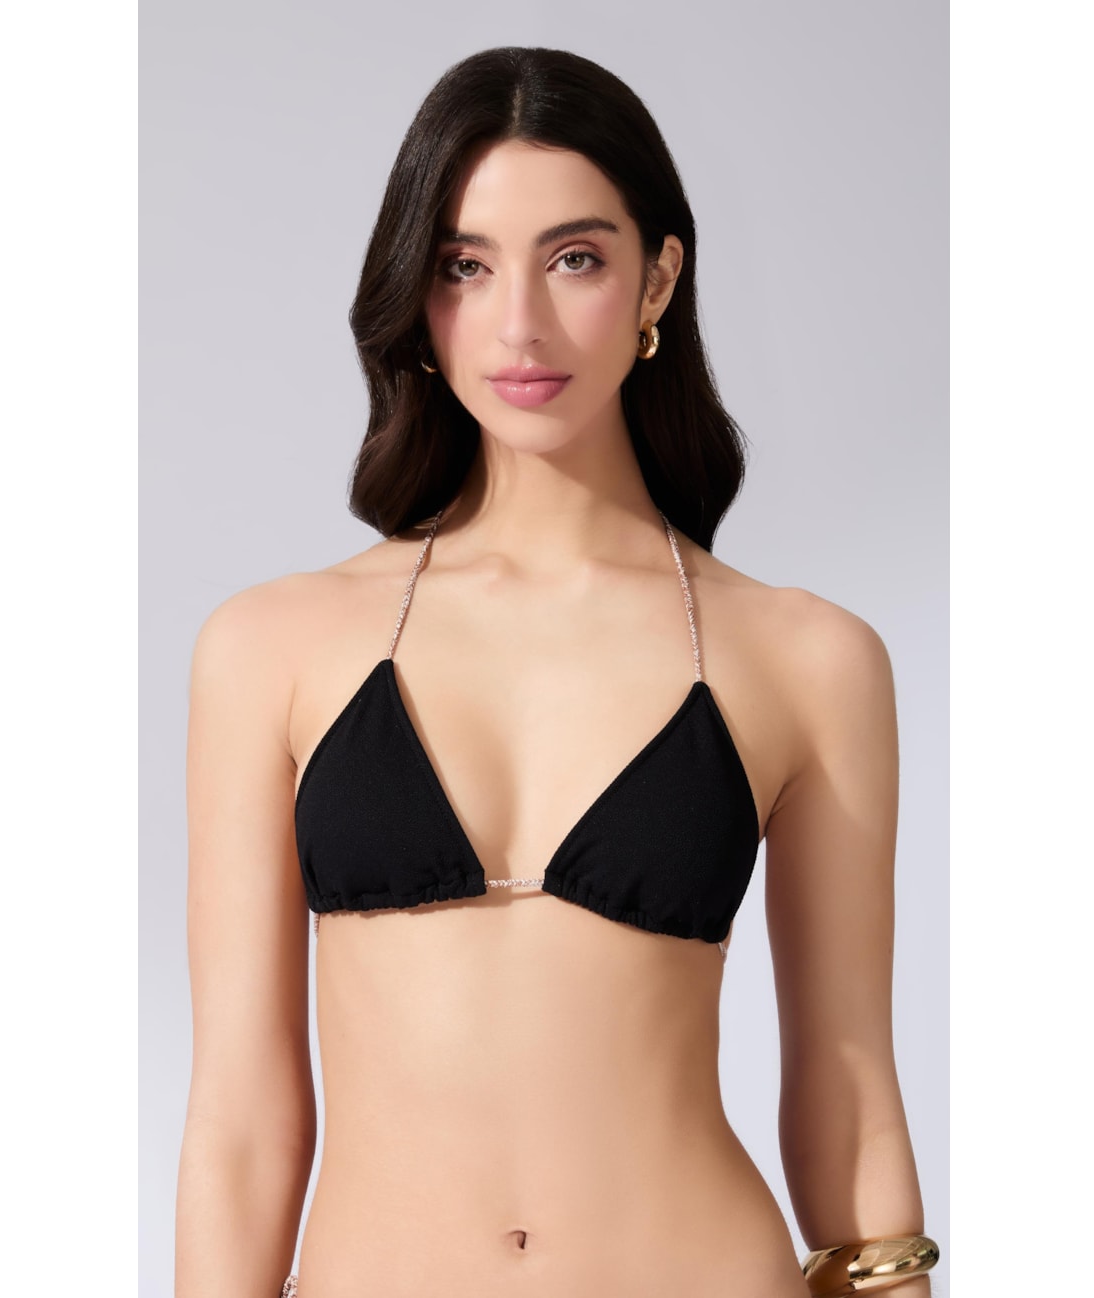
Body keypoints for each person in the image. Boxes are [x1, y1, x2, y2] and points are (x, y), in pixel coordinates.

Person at [174, 46, 937, 1298]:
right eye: (464, 265)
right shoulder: (271, 646)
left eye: (573, 258)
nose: (519, 323)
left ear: (657, 279)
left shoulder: (807, 657)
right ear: (417, 295)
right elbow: (241, 1116)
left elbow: (846, 1082)